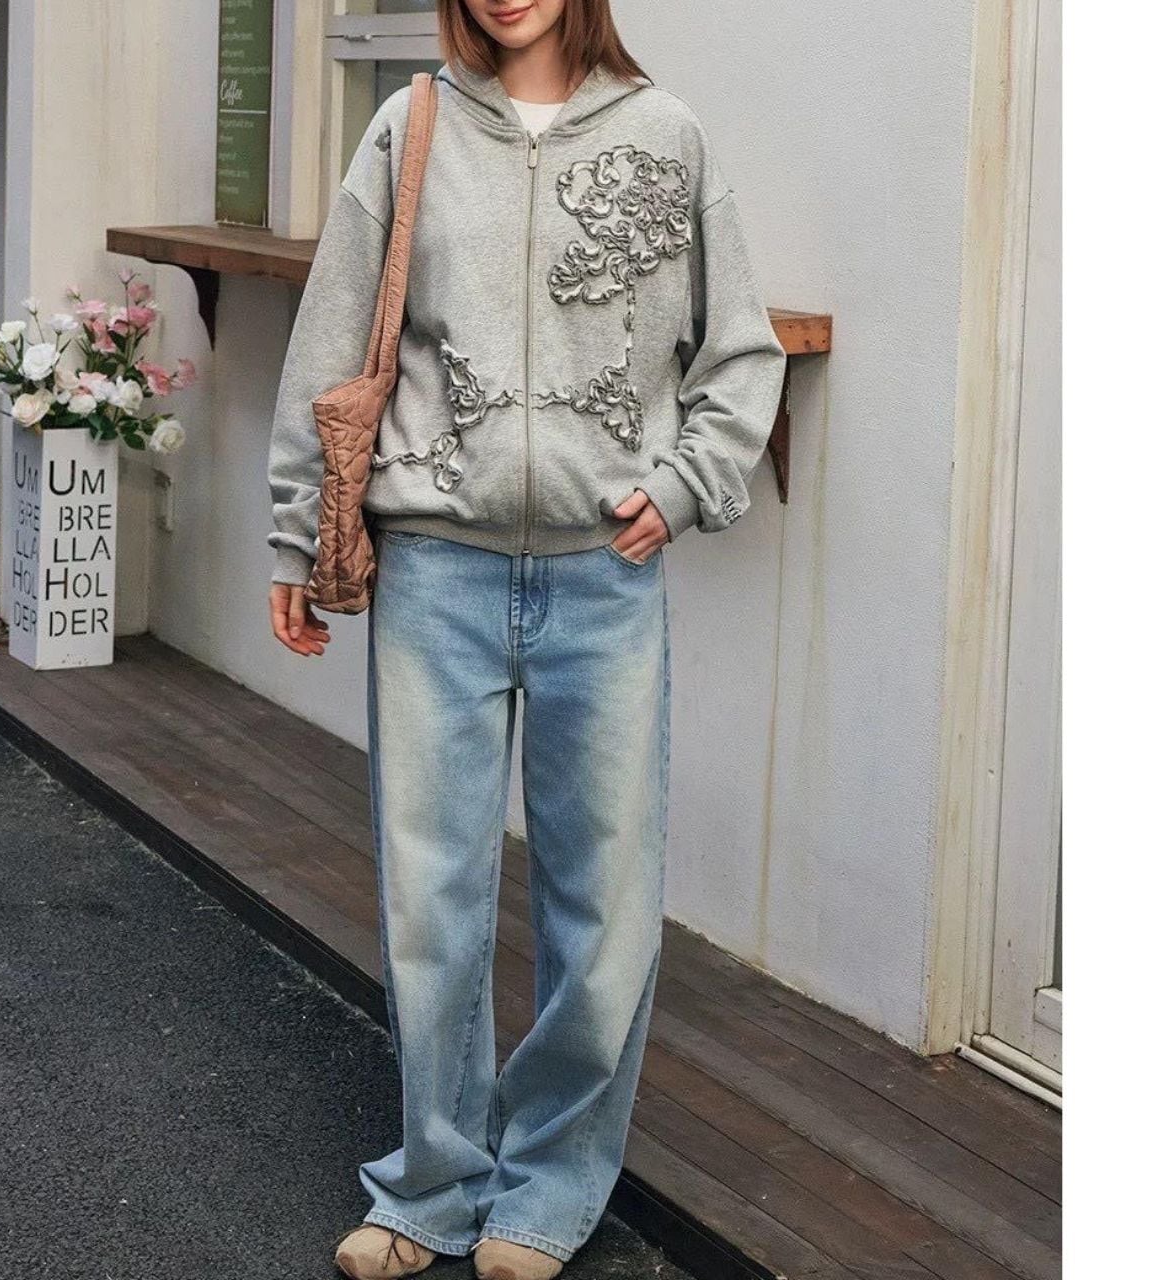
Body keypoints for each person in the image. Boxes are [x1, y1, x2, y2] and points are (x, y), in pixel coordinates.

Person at [267, 3, 786, 1276]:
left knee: (602, 909)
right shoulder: (409, 128)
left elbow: (741, 353)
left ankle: (547, 1187)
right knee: (428, 899)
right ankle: (434, 1184)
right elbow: (329, 337)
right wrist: (293, 534)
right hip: (433, 572)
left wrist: (682, 485)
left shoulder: (666, 137)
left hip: (600, 580)